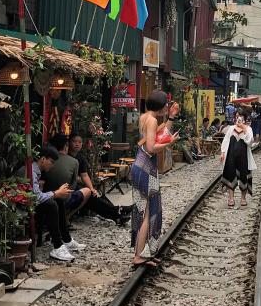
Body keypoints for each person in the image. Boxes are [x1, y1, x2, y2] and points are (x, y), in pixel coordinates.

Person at [131, 89, 178, 268]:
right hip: (146, 168)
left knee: (143, 211)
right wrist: (169, 143)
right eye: (166, 104)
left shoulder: (146, 117)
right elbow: (151, 148)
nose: (167, 106)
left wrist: (171, 118)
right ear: (160, 106)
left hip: (140, 165)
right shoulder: (151, 120)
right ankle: (139, 256)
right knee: (147, 213)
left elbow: (159, 132)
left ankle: (144, 253)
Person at [52, 133, 130, 227]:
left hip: (74, 185)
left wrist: (92, 188)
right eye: (74, 141)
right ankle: (117, 212)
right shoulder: (64, 157)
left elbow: (84, 175)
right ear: (67, 144)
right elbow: (71, 177)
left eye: (79, 142)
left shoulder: (80, 158)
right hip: (65, 187)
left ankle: (117, 212)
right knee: (90, 196)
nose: (77, 144)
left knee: (93, 194)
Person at [32, 145, 86, 262]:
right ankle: (57, 246)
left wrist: (57, 194)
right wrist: (56, 193)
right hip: (27, 204)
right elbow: (36, 198)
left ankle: (66, 240)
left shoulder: (37, 171)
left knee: (58, 201)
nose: (52, 165)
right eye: (51, 162)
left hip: (32, 201)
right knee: (51, 204)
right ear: (43, 159)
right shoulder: (32, 171)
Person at [220, 112, 255, 207]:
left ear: (244, 118)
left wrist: (244, 128)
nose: (238, 119)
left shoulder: (248, 129)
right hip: (231, 156)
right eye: (236, 117)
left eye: (240, 117)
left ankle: (243, 198)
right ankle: (231, 198)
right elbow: (226, 140)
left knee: (244, 177)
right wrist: (223, 152)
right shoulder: (231, 128)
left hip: (244, 157)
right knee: (230, 175)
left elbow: (250, 142)